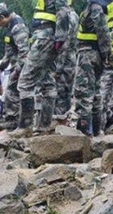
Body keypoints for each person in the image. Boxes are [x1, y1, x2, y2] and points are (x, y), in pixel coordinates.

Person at [14, 0, 72, 134]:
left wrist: (60, 37)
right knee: (47, 81)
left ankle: (25, 127)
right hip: (46, 36)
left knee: (25, 81)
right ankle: (43, 127)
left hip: (45, 37)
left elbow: (63, 12)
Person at [74, 0, 113, 135]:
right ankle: (96, 131)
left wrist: (106, 54)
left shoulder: (95, 7)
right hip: (91, 53)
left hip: (88, 53)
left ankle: (84, 132)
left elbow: (103, 31)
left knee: (83, 91)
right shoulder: (94, 6)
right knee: (94, 92)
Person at [0, 3, 29, 129]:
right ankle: (12, 118)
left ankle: (13, 120)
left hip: (23, 65)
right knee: (12, 90)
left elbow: (24, 51)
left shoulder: (17, 26)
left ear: (1, 18)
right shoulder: (10, 27)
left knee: (12, 91)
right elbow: (9, 50)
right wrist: (2, 65)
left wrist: (17, 70)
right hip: (14, 64)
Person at [54, 4, 80, 121]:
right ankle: (65, 120)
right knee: (67, 92)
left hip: (64, 61)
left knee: (60, 92)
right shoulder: (75, 15)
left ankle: (60, 121)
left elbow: (64, 43)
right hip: (71, 58)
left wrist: (57, 69)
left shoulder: (66, 17)